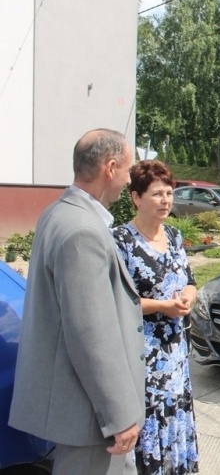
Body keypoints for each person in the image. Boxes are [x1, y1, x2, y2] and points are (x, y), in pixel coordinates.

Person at [10, 129, 145, 474]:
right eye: (128, 170)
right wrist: (118, 415)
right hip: (91, 420)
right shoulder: (82, 229)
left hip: (81, 410)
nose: (129, 179)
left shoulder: (58, 212)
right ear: (110, 168)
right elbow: (91, 334)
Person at [113, 161, 200, 474]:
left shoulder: (175, 236)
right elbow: (117, 301)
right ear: (136, 198)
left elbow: (189, 280)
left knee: (175, 414)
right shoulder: (120, 241)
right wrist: (162, 307)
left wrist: (188, 297)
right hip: (144, 353)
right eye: (157, 194)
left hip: (175, 350)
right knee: (151, 420)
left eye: (169, 193)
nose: (166, 200)